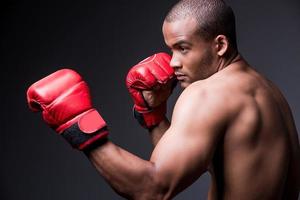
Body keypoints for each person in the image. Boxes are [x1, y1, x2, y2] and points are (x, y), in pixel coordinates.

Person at [26, 0, 300, 199]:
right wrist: (154, 114)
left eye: (183, 48)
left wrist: (79, 125)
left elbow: (153, 189)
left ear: (220, 45)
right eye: (170, 49)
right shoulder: (268, 92)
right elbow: (199, 165)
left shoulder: (207, 93)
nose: (173, 62)